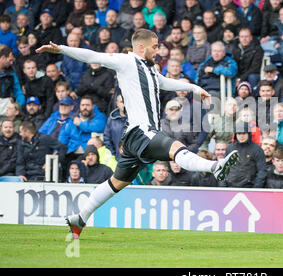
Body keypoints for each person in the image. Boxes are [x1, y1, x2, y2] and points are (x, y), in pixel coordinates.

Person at [36, 29, 239, 239]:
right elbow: (93, 56)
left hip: (136, 137)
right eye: (154, 46)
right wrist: (61, 49)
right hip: (141, 132)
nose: (157, 50)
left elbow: (163, 82)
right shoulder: (126, 62)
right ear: (141, 47)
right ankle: (213, 167)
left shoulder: (150, 70)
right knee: (176, 148)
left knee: (117, 182)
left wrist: (195, 88)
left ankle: (80, 217)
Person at [221, 121, 265, 188]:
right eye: (239, 133)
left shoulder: (257, 149)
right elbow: (223, 169)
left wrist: (256, 189)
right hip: (229, 187)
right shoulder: (229, 148)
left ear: (248, 134)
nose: (241, 136)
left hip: (249, 188)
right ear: (235, 135)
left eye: (244, 133)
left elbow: (262, 171)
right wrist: (223, 186)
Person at [103, 93, 127, 160]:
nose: (124, 104)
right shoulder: (111, 119)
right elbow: (107, 139)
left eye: (126, 102)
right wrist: (114, 155)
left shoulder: (136, 119)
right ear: (117, 103)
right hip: (117, 158)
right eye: (122, 102)